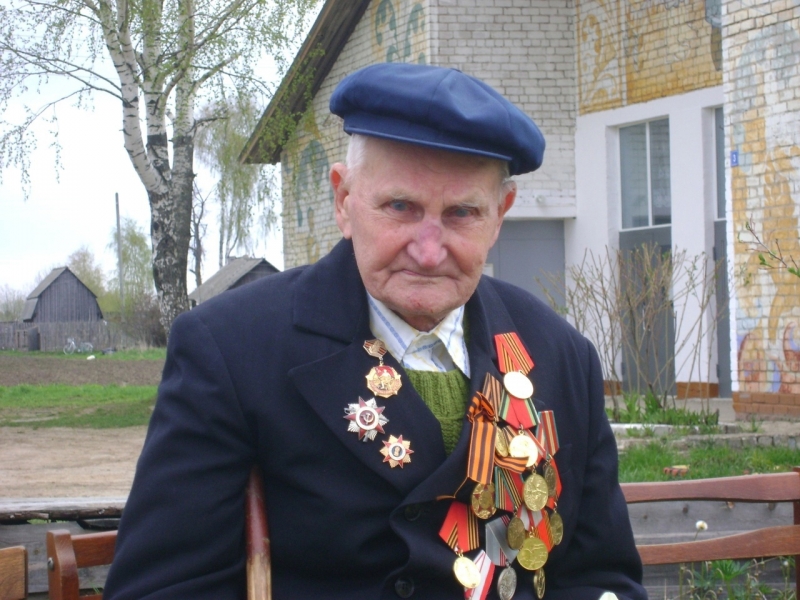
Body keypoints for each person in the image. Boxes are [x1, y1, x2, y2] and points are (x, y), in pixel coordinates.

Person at [104, 63, 645, 600]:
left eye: (461, 213)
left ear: (500, 214)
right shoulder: (233, 349)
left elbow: (601, 579)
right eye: (400, 207)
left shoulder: (560, 355)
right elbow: (164, 588)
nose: (428, 251)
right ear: (344, 201)